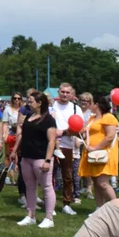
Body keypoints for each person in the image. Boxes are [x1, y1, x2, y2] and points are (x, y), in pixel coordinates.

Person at [14, 90, 57, 229]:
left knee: (46, 187)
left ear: (39, 103)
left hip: (41, 158)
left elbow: (52, 141)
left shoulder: (48, 120)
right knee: (30, 187)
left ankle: (49, 217)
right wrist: (14, 150)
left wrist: (48, 160)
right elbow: (22, 135)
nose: (28, 103)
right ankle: (30, 215)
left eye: (31, 101)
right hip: (26, 157)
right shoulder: (29, 116)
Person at [78, 95, 119, 209]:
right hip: (93, 154)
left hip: (104, 152)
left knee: (103, 183)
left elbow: (110, 136)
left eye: (91, 102)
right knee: (96, 182)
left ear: (97, 104)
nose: (89, 105)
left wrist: (96, 147)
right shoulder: (92, 118)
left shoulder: (108, 117)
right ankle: (99, 208)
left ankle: (117, 208)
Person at [50, 83, 81, 216]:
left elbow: (78, 128)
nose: (65, 94)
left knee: (67, 176)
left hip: (68, 145)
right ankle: (49, 202)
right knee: (49, 175)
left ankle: (66, 203)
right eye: (62, 92)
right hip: (51, 144)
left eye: (68, 92)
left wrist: (64, 132)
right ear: (58, 92)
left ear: (72, 94)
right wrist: (62, 132)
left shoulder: (75, 108)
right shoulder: (52, 106)